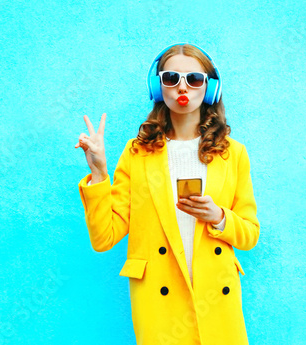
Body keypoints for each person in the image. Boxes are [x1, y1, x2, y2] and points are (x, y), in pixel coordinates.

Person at [75, 43, 260, 345]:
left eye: (194, 79)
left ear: (210, 88)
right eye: (171, 78)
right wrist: (98, 172)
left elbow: (250, 234)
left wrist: (219, 217)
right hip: (159, 299)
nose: (182, 87)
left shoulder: (234, 154)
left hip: (215, 295)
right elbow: (104, 238)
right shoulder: (136, 153)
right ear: (157, 85)